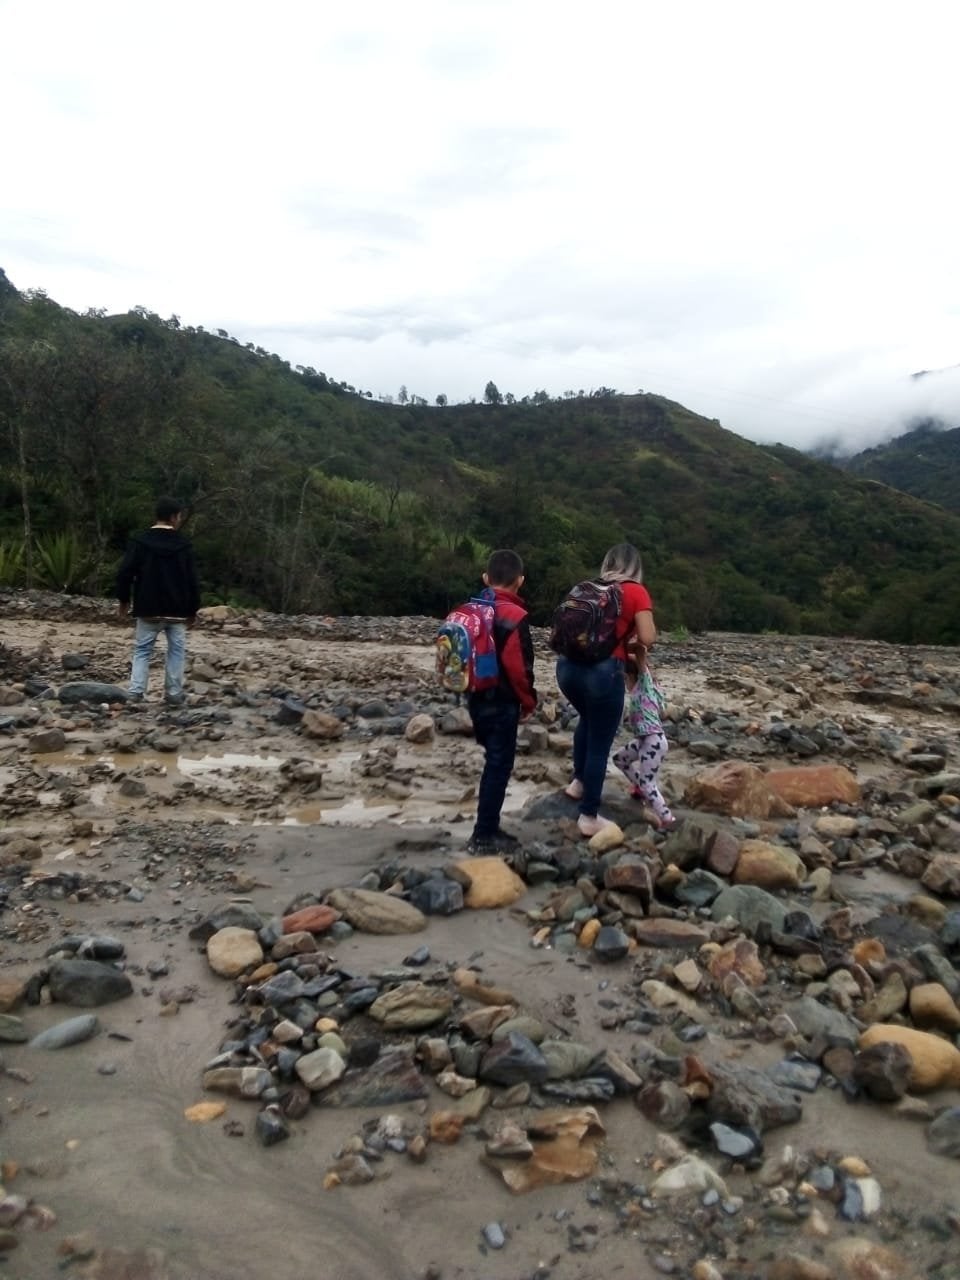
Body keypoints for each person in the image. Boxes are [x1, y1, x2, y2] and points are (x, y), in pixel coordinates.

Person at [556, 542, 657, 837]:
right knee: (600, 741)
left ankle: (578, 782)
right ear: (636, 567)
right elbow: (648, 637)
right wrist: (632, 647)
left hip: (566, 669)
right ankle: (588, 816)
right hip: (603, 673)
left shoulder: (588, 586)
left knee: (587, 720)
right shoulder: (636, 591)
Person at [466, 548, 537, 855]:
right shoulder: (515, 616)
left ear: (486, 578)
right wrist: (529, 701)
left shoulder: (471, 609)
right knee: (499, 764)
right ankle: (484, 834)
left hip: (474, 697)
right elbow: (519, 668)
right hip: (502, 701)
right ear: (520, 581)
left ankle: (487, 827)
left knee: (492, 760)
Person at [116, 497, 201, 706]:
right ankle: (173, 693)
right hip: (177, 610)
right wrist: (193, 610)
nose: (179, 520)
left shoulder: (140, 542)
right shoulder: (184, 545)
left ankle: (136, 692)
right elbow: (192, 580)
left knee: (143, 650)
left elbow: (125, 573)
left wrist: (124, 600)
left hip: (148, 606)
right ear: (173, 517)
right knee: (176, 651)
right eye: (179, 516)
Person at [612, 650, 675, 830]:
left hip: (653, 742)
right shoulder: (645, 689)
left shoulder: (645, 686)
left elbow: (642, 661)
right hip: (643, 741)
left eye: (626, 679)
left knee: (649, 783)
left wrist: (636, 654)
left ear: (632, 677)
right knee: (620, 759)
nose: (625, 684)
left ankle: (667, 818)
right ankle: (639, 787)